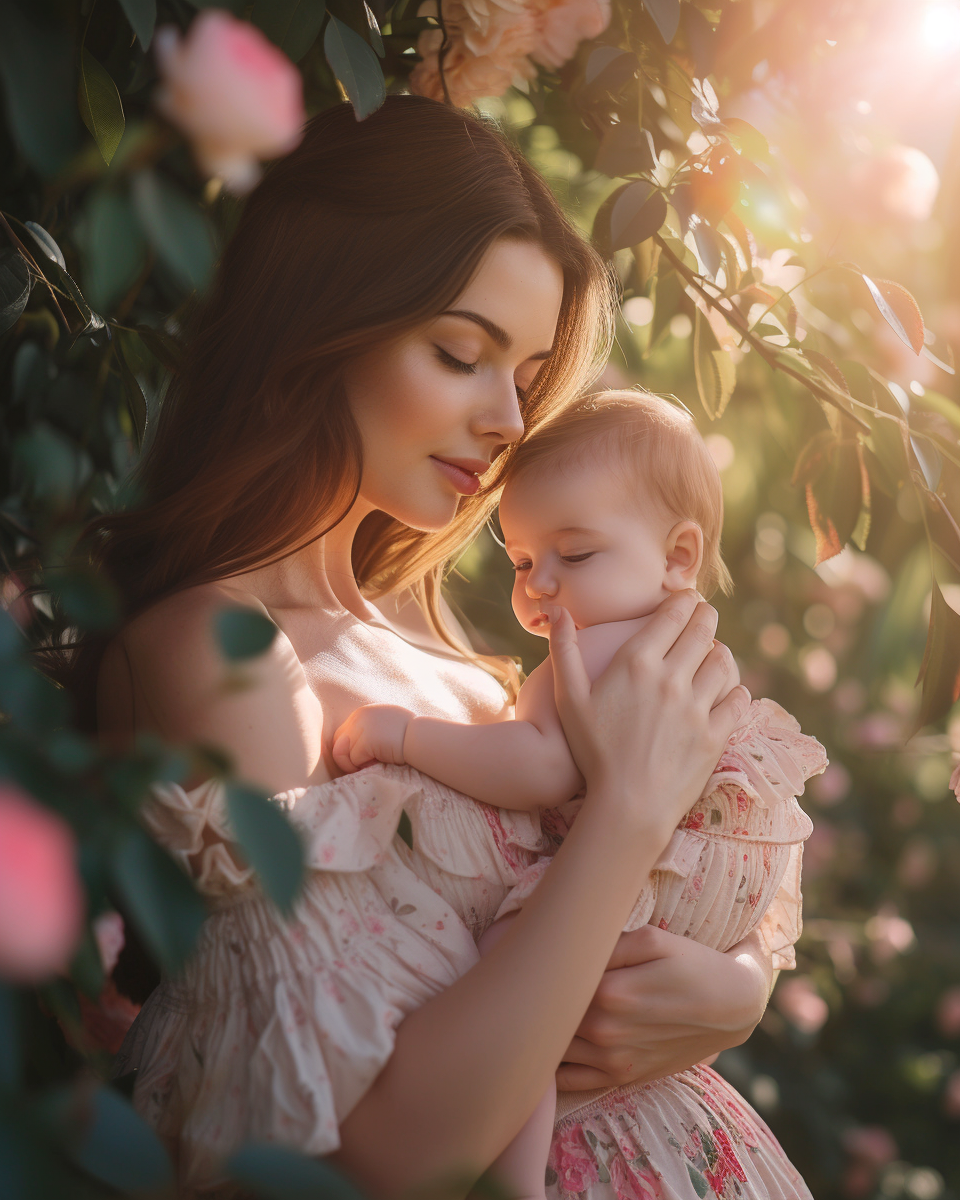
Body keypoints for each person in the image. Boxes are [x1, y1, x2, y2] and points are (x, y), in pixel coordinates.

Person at [81, 95, 771, 1198]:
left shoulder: (462, 664)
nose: (510, 419)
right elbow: (385, 1156)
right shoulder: (227, 656)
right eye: (463, 353)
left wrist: (734, 992)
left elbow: (594, 919)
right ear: (319, 323)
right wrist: (632, 818)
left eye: (527, 377)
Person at [333, 390, 827, 1199]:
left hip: (651, 882)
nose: (542, 588)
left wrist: (404, 735)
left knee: (506, 980)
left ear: (678, 555)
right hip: (718, 896)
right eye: (525, 561)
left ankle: (514, 1178)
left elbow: (539, 769)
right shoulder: (689, 653)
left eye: (577, 555)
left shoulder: (595, 653)